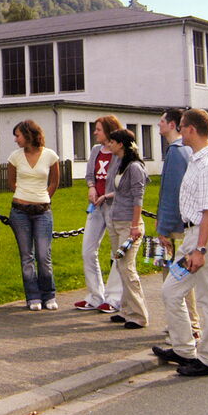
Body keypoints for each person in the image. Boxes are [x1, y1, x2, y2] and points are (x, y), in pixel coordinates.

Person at [152, 108, 208, 376]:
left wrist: (200, 250)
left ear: (192, 130)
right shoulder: (197, 159)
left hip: (203, 238)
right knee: (171, 291)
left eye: (182, 127)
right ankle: (184, 347)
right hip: (192, 237)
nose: (179, 131)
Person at [7, 120, 60, 311]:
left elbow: (54, 182)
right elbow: (11, 182)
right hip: (20, 211)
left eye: (18, 135)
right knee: (26, 256)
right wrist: (24, 195)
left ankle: (49, 294)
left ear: (29, 135)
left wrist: (43, 197)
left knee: (43, 254)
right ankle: (33, 296)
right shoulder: (15, 157)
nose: (16, 139)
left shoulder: (50, 156)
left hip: (42, 211)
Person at [156, 107, 199, 337]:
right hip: (185, 224)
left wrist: (164, 228)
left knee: (174, 278)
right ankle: (189, 323)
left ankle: (187, 325)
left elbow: (172, 193)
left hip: (175, 227)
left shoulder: (175, 152)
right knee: (182, 277)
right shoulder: (186, 151)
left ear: (172, 125)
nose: (159, 125)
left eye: (162, 121)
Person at [74, 115, 123, 313]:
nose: (95, 132)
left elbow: (127, 182)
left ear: (109, 131)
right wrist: (91, 187)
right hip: (96, 207)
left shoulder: (120, 154)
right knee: (88, 251)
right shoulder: (95, 151)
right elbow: (89, 175)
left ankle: (114, 298)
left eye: (99, 129)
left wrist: (109, 195)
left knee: (117, 253)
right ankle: (95, 295)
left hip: (114, 207)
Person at [106, 129, 149, 329]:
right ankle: (126, 310)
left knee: (127, 267)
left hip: (129, 224)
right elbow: (119, 192)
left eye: (112, 142)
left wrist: (135, 225)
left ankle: (139, 315)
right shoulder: (119, 165)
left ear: (121, 144)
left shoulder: (134, 167)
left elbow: (137, 197)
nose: (109, 144)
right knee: (120, 267)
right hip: (116, 221)